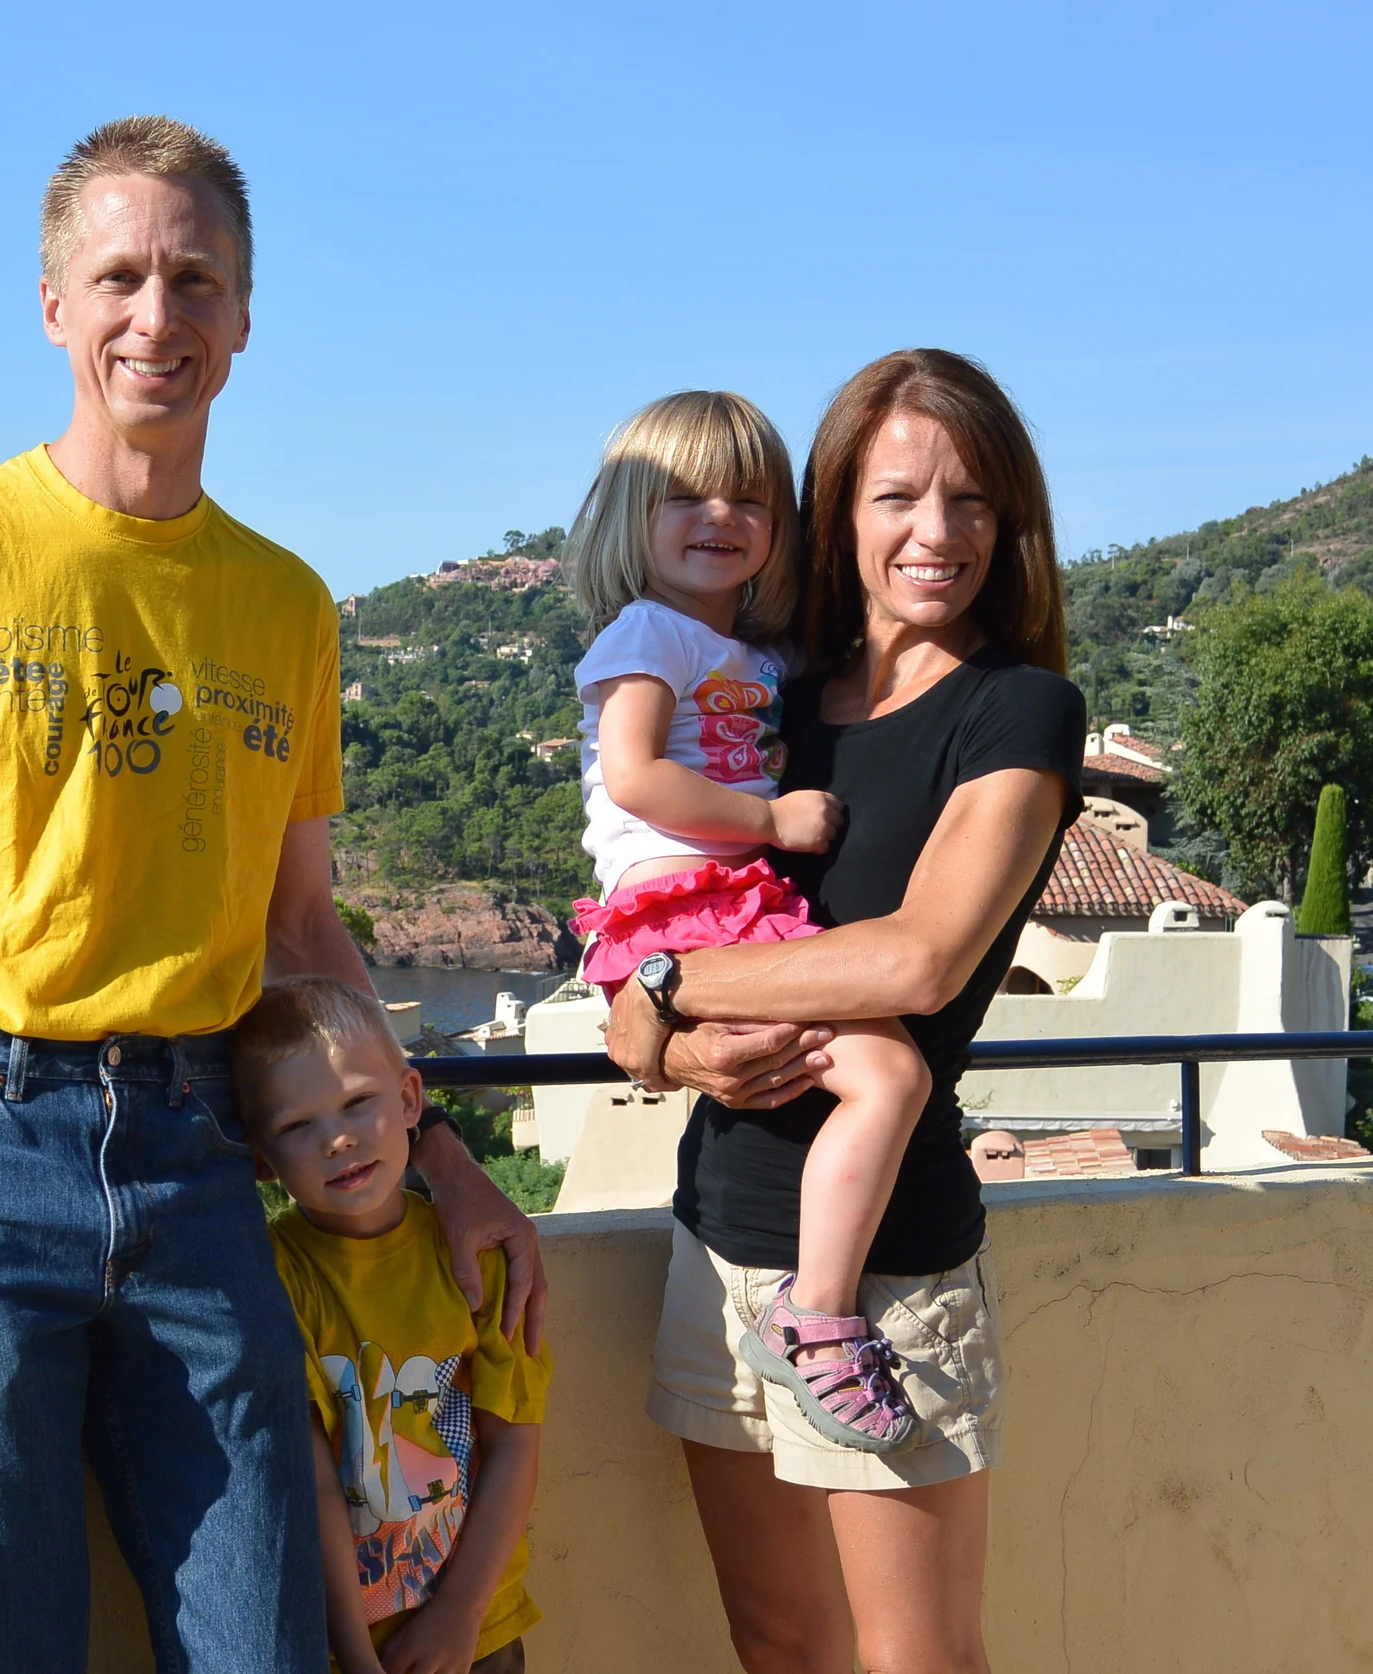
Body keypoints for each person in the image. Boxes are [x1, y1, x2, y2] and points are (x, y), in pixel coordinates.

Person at [0, 115, 544, 1674]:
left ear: (245, 318)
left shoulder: (286, 604)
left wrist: (439, 1144)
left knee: (266, 1632)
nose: (156, 316)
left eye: (195, 280)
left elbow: (303, 932)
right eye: (119, 275)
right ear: (53, 304)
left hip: (194, 1145)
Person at [604, 349, 1085, 1674]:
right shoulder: (762, 710)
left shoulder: (1018, 711)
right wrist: (665, 1030)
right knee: (775, 1641)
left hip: (890, 1279)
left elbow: (916, 962)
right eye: (898, 497)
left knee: (913, 1659)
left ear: (1012, 524)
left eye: (974, 500)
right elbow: (648, 970)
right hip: (719, 1239)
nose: (938, 532)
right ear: (840, 515)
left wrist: (662, 987)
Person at [560, 390, 929, 1454]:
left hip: (733, 904)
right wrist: (768, 817)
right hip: (689, 903)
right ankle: (817, 1312)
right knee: (887, 1075)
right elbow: (631, 774)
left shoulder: (757, 656)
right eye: (683, 494)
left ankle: (809, 1299)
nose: (718, 513)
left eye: (749, 497)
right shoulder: (648, 632)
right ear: (630, 514)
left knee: (865, 1075)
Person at [236, 977, 550, 1674]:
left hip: (480, 1627)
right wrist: (351, 1652)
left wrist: (460, 1617)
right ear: (262, 1161)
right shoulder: (274, 1278)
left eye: (357, 1102)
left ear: (410, 1100)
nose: (338, 1138)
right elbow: (311, 1478)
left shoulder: (476, 1259)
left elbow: (513, 1447)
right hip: (350, 1642)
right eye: (296, 1126)